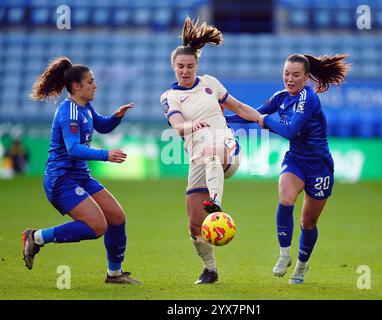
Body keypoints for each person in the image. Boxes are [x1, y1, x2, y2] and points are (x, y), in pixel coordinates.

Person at [225, 53, 349, 284]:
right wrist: (224, 120)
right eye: (286, 73)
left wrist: (265, 121)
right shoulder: (280, 97)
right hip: (296, 160)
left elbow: (290, 130)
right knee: (285, 199)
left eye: (295, 75)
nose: (289, 79)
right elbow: (254, 114)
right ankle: (284, 255)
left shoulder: (309, 99)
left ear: (306, 78)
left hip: (319, 166)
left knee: (307, 222)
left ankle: (301, 266)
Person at [22, 56, 141, 284]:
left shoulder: (85, 106)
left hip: (79, 177)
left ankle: (114, 274)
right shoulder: (70, 112)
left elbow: (102, 125)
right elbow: (74, 148)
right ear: (76, 86)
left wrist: (116, 117)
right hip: (61, 179)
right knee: (97, 226)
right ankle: (36, 237)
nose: (95, 85)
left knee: (117, 217)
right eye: (90, 81)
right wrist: (106, 155)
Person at [160, 17, 260, 284]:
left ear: (197, 66)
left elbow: (238, 108)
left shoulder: (210, 83)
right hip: (198, 160)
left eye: (190, 66)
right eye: (180, 66)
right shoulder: (170, 97)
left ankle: (216, 206)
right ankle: (210, 270)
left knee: (214, 148)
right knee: (194, 224)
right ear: (173, 67)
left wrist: (262, 119)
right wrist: (192, 125)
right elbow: (178, 126)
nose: (185, 71)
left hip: (226, 148)